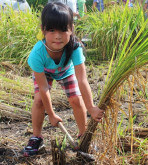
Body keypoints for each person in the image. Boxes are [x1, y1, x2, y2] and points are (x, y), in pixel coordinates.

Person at [23, 2, 104, 157]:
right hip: (45, 72)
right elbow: (44, 88)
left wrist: (91, 107)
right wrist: (52, 114)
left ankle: (83, 136)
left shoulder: (75, 47)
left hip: (66, 70)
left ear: (71, 29)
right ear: (43, 30)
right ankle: (36, 137)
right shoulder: (37, 54)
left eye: (63, 30)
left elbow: (82, 80)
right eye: (52, 30)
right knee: (39, 100)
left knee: (76, 99)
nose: (58, 36)